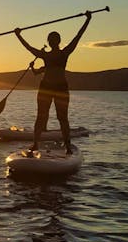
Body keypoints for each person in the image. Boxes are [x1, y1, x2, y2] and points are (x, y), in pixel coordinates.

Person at [15, 11, 92, 154]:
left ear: (57, 41)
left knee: (62, 118)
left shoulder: (65, 53)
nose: (52, 41)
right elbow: (29, 48)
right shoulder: (46, 55)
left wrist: (88, 20)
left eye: (53, 39)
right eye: (51, 39)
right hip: (46, 88)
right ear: (50, 42)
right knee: (41, 116)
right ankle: (36, 144)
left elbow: (78, 36)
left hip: (61, 88)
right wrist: (18, 35)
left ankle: (68, 147)